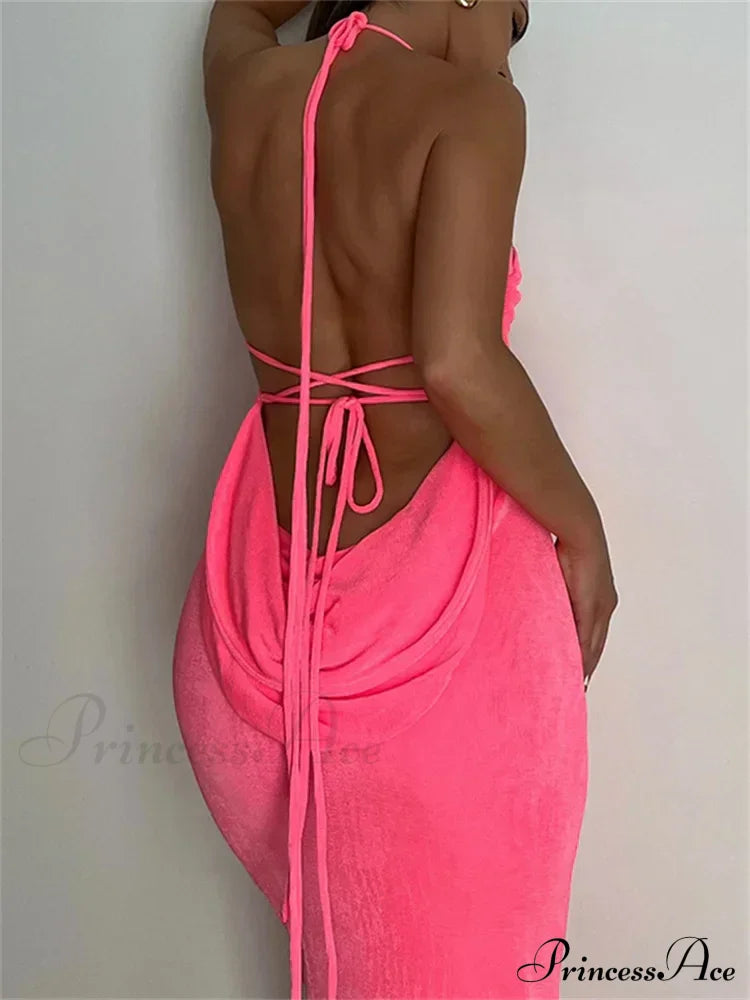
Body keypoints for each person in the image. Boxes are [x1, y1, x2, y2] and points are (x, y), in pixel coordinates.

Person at [172, 1, 618, 997]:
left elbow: (240, 10)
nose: (508, 57)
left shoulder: (249, 89)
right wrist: (582, 528)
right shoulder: (469, 112)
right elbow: (457, 362)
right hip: (430, 662)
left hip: (244, 638)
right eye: (514, 22)